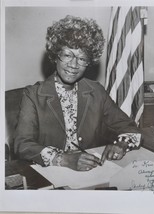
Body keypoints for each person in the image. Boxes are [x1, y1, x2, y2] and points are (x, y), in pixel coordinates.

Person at [14, 15, 142, 171]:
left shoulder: (96, 91)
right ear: (56, 56)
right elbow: (23, 145)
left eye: (82, 58)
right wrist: (63, 159)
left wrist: (121, 145)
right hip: (50, 175)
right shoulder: (33, 95)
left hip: (92, 173)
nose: (74, 65)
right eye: (67, 55)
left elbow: (130, 128)